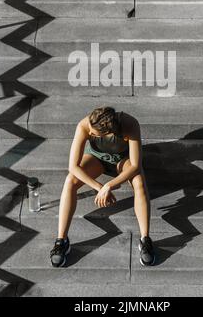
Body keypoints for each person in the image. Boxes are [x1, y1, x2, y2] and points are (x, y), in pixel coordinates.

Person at [50, 106, 155, 268]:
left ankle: (145, 240)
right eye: (91, 131)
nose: (91, 134)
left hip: (123, 160)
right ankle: (61, 241)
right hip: (96, 159)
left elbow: (135, 165)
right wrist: (100, 187)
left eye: (95, 134)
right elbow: (73, 167)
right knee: (70, 180)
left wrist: (111, 185)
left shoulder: (130, 124)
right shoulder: (84, 125)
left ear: (109, 132)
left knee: (139, 182)